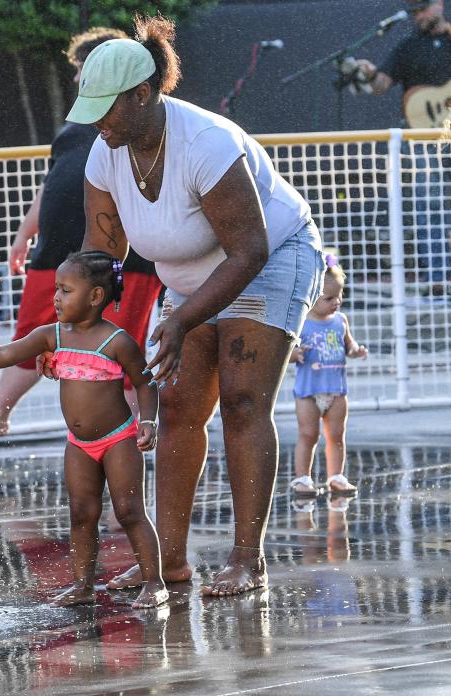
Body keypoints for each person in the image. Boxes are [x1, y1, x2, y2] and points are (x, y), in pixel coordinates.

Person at [59, 16, 325, 597]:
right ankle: (168, 561)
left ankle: (246, 558)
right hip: (191, 278)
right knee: (179, 407)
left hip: (272, 258)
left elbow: (249, 248)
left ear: (143, 94)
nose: (98, 124)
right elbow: (103, 252)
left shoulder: (206, 144)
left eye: (108, 108)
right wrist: (78, 326)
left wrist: (179, 318)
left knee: (242, 398)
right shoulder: (106, 152)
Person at [0, 251, 163, 608]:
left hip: (118, 439)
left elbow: (145, 383)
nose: (56, 298)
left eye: (66, 290)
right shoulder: (52, 336)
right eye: (57, 289)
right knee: (81, 513)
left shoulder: (117, 341)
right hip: (79, 443)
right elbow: (5, 352)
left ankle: (154, 581)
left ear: (95, 297)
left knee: (129, 512)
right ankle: (82, 585)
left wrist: (148, 421)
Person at [0, 27, 163, 446]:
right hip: (57, 250)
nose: (75, 80)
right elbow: (52, 184)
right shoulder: (77, 126)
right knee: (32, 333)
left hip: (125, 254)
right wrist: (24, 233)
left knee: (119, 341)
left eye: (81, 71)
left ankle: (133, 433)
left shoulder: (134, 120)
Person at [355, 0, 451, 295]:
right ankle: (439, 280)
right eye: (415, 12)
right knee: (428, 205)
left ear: (439, 5)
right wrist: (370, 74)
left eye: (424, 9)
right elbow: (381, 85)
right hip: (423, 138)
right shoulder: (408, 47)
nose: (419, 16)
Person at [289, 257, 368, 497]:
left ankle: (336, 476)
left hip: (336, 390)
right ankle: (302, 478)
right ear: (310, 296)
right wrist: (294, 354)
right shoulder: (301, 323)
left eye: (340, 295)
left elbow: (349, 345)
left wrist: (356, 351)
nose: (337, 302)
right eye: (329, 298)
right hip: (309, 392)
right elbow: (286, 353)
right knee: (308, 434)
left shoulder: (340, 321)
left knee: (336, 435)